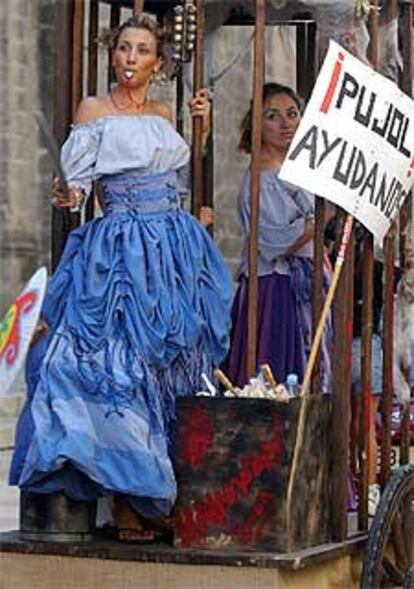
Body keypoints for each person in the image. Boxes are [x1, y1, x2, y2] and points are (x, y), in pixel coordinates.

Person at [10, 13, 232, 541]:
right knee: (114, 364)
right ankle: (132, 495)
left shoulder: (161, 111)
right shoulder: (94, 110)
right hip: (119, 250)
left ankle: (161, 492)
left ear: (157, 63)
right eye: (123, 48)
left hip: (173, 249)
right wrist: (68, 195)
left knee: (174, 365)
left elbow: (180, 173)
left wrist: (201, 127)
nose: (130, 58)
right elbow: (78, 186)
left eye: (141, 51)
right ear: (114, 54)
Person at [227, 82, 333, 393]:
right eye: (273, 115)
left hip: (305, 279)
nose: (286, 123)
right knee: (281, 370)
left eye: (292, 113)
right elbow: (275, 241)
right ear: (256, 124)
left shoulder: (297, 169)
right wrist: (322, 216)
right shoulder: (263, 177)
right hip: (278, 288)